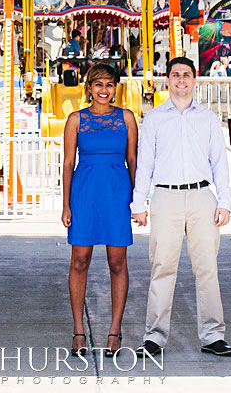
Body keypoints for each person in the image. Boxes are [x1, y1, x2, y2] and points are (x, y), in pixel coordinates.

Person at [132, 56, 231, 361]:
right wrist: (139, 203)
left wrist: (225, 202)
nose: (181, 80)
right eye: (175, 75)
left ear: (194, 80)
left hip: (202, 196)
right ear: (168, 81)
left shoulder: (207, 118)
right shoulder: (153, 119)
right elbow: (144, 165)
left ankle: (213, 336)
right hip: (165, 197)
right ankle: (154, 337)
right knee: (162, 267)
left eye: (186, 75)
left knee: (206, 269)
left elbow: (219, 161)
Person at [61, 62, 138, 360]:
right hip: (84, 193)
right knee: (80, 259)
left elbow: (133, 160)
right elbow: (68, 164)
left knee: (117, 261)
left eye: (109, 84)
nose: (104, 90)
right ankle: (79, 330)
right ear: (89, 87)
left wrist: (137, 200)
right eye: (98, 84)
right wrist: (66, 204)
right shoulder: (75, 120)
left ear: (115, 88)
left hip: (117, 194)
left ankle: (114, 330)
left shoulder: (127, 118)